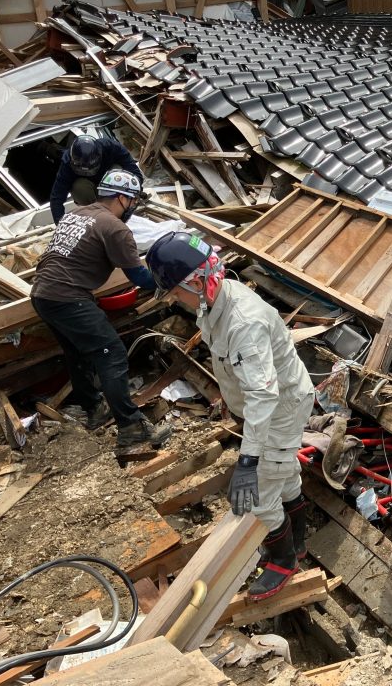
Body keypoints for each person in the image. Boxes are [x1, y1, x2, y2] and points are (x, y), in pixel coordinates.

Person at [145, 231, 315, 601]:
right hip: (271, 402)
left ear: (198, 280)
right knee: (282, 473)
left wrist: (248, 460)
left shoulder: (242, 323)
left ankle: (284, 560)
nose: (175, 300)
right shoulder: (214, 302)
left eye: (176, 291)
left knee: (258, 492)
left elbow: (263, 395)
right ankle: (298, 540)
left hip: (278, 408)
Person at [31, 168, 168, 452]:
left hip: (43, 294)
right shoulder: (115, 227)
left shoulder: (76, 214)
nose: (132, 207)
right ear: (121, 198)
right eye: (131, 201)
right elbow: (139, 277)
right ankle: (131, 427)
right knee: (113, 355)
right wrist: (168, 280)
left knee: (78, 352)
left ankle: (95, 409)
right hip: (69, 297)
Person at [49, 135, 143, 223]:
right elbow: (56, 198)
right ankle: (95, 215)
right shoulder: (67, 163)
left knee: (118, 171)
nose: (88, 172)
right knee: (78, 187)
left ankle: (118, 209)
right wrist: (61, 224)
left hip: (111, 185)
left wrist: (133, 197)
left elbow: (136, 174)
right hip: (91, 191)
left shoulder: (111, 147)